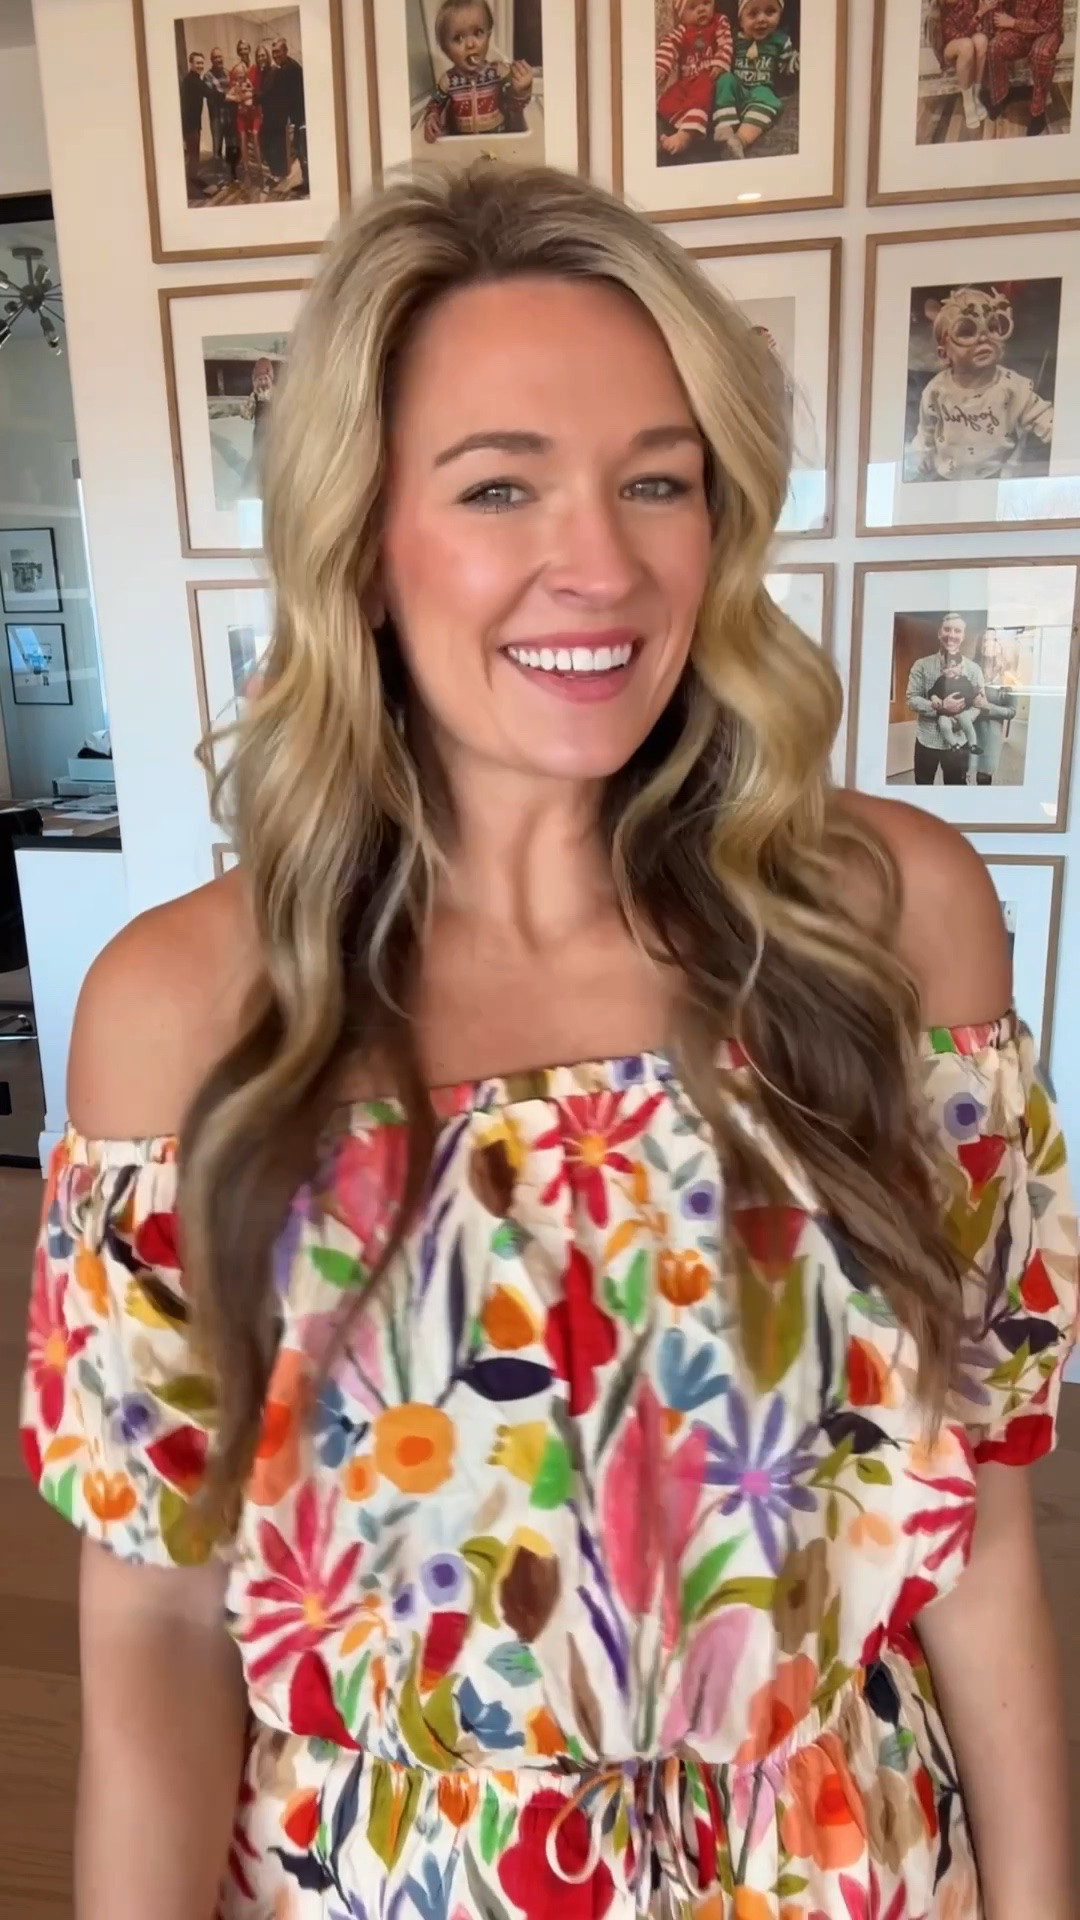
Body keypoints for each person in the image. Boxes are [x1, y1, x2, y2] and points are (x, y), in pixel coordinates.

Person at [20, 165, 1076, 1920]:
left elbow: (981, 1527)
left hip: (843, 1871)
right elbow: (152, 1623)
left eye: (658, 479)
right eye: (499, 484)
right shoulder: (182, 1014)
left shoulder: (890, 923)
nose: (603, 564)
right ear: (364, 542)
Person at [905, 282, 1055, 482]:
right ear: (944, 354)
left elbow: (1043, 416)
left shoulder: (1013, 387)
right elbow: (927, 429)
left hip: (995, 474)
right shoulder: (936, 390)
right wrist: (922, 454)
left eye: (992, 327)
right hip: (947, 475)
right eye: (967, 331)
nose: (983, 337)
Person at [423, 0, 533, 141]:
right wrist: (432, 117)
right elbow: (435, 103)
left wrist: (521, 90)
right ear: (446, 50)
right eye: (458, 38)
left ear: (488, 36)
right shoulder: (447, 81)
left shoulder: (499, 72)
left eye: (478, 32)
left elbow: (514, 108)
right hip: (462, 145)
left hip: (498, 142)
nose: (470, 44)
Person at [904, 611, 987, 785]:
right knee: (923, 787)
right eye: (947, 629)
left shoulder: (973, 670)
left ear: (963, 636)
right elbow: (912, 699)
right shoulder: (921, 665)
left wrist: (961, 719)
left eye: (957, 631)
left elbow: (978, 704)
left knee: (956, 787)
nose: (952, 635)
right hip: (927, 740)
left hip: (959, 740)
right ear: (939, 633)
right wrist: (941, 706)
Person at [711, 0, 799, 158]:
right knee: (725, 80)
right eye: (753, 14)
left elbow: (786, 66)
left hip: (759, 93)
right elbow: (723, 56)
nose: (762, 19)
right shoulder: (734, 39)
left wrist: (797, 61)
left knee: (768, 97)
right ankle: (725, 130)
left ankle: (738, 141)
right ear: (741, 20)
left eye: (770, 11)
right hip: (737, 93)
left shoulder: (780, 40)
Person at [655, 0, 733, 159]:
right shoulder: (682, 30)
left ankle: (687, 134)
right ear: (681, 15)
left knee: (700, 93)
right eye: (692, 7)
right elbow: (669, 44)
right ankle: (691, 122)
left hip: (708, 77)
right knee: (666, 101)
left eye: (706, 2)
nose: (701, 9)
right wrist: (661, 65)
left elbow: (726, 42)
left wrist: (720, 61)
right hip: (687, 80)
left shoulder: (719, 21)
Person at [985, 0, 1066, 135]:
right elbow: (1004, 10)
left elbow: (1046, 26)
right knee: (995, 47)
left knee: (1041, 53)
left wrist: (1013, 23)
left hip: (1047, 32)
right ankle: (1001, 97)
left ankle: (1038, 113)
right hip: (1022, 30)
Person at [930, 0, 995, 129]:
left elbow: (974, 28)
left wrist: (984, 8)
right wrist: (979, 14)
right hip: (950, 48)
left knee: (981, 40)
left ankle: (976, 96)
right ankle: (968, 103)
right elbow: (959, 36)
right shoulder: (940, 10)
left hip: (968, 38)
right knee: (966, 45)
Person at [973, 626, 1022, 784]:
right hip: (967, 730)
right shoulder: (970, 670)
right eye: (985, 640)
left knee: (983, 776)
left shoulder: (1008, 676)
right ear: (980, 645)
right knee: (960, 776)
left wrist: (988, 707)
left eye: (993, 639)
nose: (989, 643)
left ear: (1000, 645)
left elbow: (1011, 711)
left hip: (990, 734)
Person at [264, 37, 308, 192]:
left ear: (286, 51)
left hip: (302, 117)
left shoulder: (288, 69)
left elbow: (273, 93)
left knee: (303, 152)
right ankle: (306, 184)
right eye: (273, 52)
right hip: (298, 117)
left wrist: (253, 98)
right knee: (301, 151)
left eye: (278, 51)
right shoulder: (288, 66)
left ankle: (308, 185)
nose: (275, 55)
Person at [227, 39, 261, 186]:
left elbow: (259, 90)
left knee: (256, 138)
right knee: (242, 140)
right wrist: (238, 97)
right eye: (240, 49)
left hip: (254, 111)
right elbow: (232, 92)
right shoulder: (235, 69)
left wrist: (250, 96)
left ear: (249, 49)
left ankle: (260, 172)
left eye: (245, 48)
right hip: (241, 112)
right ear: (238, 52)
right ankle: (247, 173)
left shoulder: (256, 68)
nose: (243, 52)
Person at [178, 49, 208, 198]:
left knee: (194, 155)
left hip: (194, 124)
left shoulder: (195, 79)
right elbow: (210, 93)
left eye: (202, 63)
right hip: (190, 125)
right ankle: (191, 190)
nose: (200, 66)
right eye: (197, 63)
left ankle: (194, 181)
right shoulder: (192, 81)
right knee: (193, 156)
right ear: (191, 64)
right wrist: (229, 96)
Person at [203, 46, 231, 164]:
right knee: (217, 145)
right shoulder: (207, 76)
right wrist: (226, 96)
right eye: (215, 57)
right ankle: (217, 171)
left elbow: (233, 90)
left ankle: (231, 170)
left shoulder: (228, 73)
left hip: (228, 115)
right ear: (211, 60)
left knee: (230, 144)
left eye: (220, 56)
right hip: (216, 116)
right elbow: (212, 95)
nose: (218, 59)